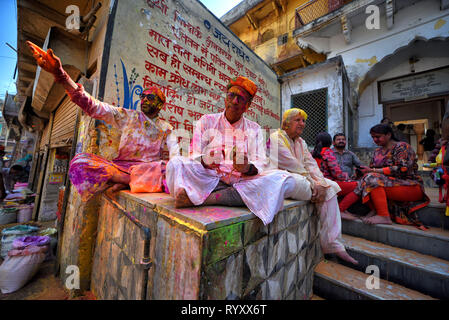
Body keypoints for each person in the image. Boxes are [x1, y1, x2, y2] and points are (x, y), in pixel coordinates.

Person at [26, 41, 178, 202]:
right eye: (143, 96)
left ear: (160, 104)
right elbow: (94, 106)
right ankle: (129, 181)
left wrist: (173, 167)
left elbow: (174, 154)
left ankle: (130, 182)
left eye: (150, 97)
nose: (145, 99)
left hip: (149, 170)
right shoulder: (128, 116)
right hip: (120, 169)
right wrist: (61, 75)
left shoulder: (166, 128)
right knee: (79, 162)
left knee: (169, 168)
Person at [166, 76, 302, 226]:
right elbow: (194, 155)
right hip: (210, 180)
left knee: (282, 178)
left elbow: (260, 162)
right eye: (232, 95)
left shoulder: (254, 129)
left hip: (241, 181)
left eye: (241, 99)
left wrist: (247, 167)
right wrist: (206, 160)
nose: (235, 101)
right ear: (226, 98)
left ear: (247, 105)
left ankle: (206, 199)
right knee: (175, 163)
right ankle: (225, 196)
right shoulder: (207, 121)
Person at [268, 108, 358, 265]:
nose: (302, 124)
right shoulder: (276, 138)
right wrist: (314, 183)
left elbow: (311, 165)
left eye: (303, 121)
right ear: (286, 123)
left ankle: (332, 243)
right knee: (308, 184)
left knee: (331, 186)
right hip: (284, 179)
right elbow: (292, 165)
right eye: (298, 120)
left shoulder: (301, 142)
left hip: (303, 180)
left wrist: (321, 183)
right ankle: (331, 243)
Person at [338, 124, 430, 227]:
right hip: (385, 185)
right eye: (373, 137)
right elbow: (372, 170)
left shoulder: (403, 147)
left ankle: (383, 215)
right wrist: (363, 171)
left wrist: (373, 171)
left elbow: (402, 169)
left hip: (410, 186)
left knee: (371, 178)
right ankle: (342, 210)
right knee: (362, 179)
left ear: (389, 135)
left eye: (378, 136)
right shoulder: (377, 151)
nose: (375, 140)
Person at [311, 132, 360, 220]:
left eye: (343, 139)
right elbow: (337, 174)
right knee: (360, 186)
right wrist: (348, 178)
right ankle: (340, 210)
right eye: (338, 139)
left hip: (315, 184)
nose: (341, 141)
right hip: (328, 184)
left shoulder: (313, 152)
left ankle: (342, 210)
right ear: (331, 142)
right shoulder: (328, 152)